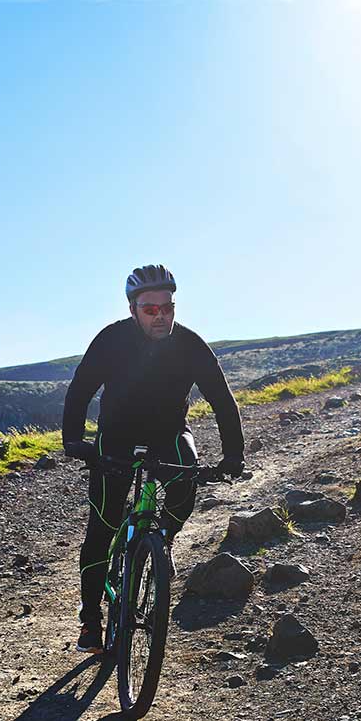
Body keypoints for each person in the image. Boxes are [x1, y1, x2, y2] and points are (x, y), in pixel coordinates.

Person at [62, 265, 245, 654]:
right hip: (116, 436)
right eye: (150, 310)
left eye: (168, 307)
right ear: (133, 310)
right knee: (103, 525)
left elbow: (222, 400)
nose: (161, 316)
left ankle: (158, 544)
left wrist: (233, 455)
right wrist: (73, 441)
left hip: (168, 434)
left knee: (186, 482)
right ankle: (90, 619)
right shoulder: (110, 340)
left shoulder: (190, 344)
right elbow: (79, 392)